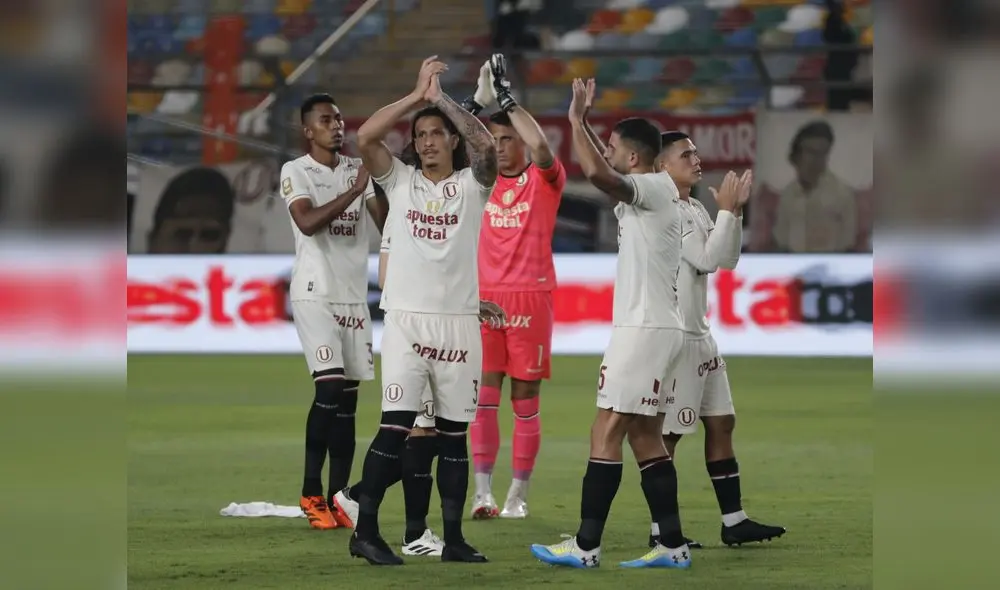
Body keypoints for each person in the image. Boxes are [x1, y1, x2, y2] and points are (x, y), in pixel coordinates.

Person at [529, 78, 690, 570]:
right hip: (658, 326)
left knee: (606, 428)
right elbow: (608, 163)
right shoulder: (653, 190)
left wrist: (576, 120)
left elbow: (600, 174)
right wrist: (588, 129)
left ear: (635, 158)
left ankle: (585, 546)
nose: (608, 151)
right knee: (645, 437)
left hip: (643, 329)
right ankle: (673, 545)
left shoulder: (651, 188)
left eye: (616, 146)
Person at [347, 56, 498, 566]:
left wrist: (444, 102)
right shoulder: (399, 181)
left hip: (459, 325)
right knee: (395, 428)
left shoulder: (473, 186)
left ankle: (452, 539)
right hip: (408, 323)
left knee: (454, 438)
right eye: (421, 135)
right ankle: (366, 532)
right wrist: (416, 96)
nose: (428, 141)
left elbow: (487, 147)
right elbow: (367, 137)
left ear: (453, 138)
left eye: (437, 133)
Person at [651, 131, 787, 549]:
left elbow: (725, 259)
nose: (696, 158)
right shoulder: (665, 211)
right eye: (685, 154)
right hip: (678, 338)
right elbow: (706, 258)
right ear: (661, 166)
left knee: (722, 422)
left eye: (695, 152)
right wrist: (725, 211)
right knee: (667, 436)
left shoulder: (694, 207)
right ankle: (661, 532)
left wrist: (734, 213)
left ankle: (734, 521)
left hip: (702, 336)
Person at [279, 93, 388, 530]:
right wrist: (356, 191)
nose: (337, 126)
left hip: (353, 297)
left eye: (340, 119)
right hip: (315, 292)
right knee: (328, 388)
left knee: (348, 404)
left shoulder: (357, 169)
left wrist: (381, 185)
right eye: (326, 120)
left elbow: (386, 224)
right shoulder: (296, 171)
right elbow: (307, 222)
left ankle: (339, 499)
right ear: (308, 130)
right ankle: (311, 492)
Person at [463, 54, 565, 521]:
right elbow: (447, 140)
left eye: (508, 139)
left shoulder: (543, 181)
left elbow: (542, 147)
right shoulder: (477, 183)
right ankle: (482, 494)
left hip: (530, 296)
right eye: (495, 140)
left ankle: (517, 496)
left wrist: (505, 99)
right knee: (483, 400)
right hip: (484, 298)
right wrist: (478, 102)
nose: (501, 147)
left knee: (524, 401)